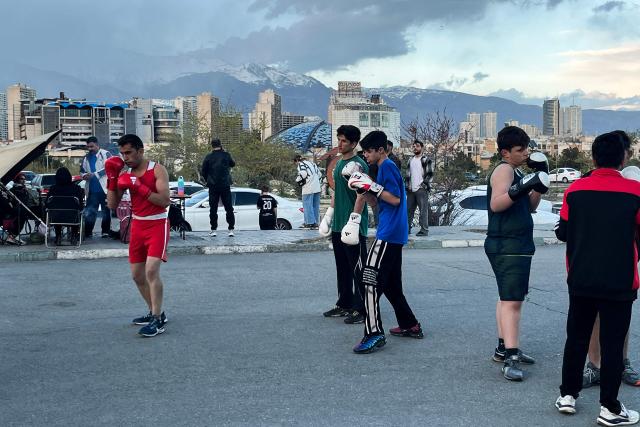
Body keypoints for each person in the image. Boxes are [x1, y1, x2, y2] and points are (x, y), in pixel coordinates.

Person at [554, 132, 640, 426]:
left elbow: (562, 232)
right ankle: (610, 408)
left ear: (593, 158)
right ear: (624, 157)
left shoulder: (574, 190)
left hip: (581, 278)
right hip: (620, 280)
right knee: (613, 343)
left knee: (576, 337)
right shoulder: (636, 192)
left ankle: (567, 395)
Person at [347, 130, 423, 354]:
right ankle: (410, 324)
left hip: (388, 234)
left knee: (368, 280)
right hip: (392, 231)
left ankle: (373, 332)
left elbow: (396, 199)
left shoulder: (388, 166)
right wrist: (363, 188)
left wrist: (372, 187)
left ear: (381, 150)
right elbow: (378, 203)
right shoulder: (380, 169)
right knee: (391, 286)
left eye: (368, 151)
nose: (366, 156)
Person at [485, 126, 549, 381]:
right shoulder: (504, 170)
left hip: (515, 243)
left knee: (507, 298)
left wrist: (538, 181)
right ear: (505, 152)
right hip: (507, 244)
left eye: (526, 149)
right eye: (520, 150)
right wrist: (520, 186)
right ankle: (510, 355)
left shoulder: (517, 170)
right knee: (513, 301)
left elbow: (530, 205)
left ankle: (504, 348)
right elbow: (497, 204)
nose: (526, 154)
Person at [582, 130, 640, 389]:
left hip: (625, 256)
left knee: (620, 315)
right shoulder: (588, 182)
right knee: (595, 313)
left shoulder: (633, 181)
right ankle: (595, 364)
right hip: (593, 257)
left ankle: (622, 362)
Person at [106, 134, 171, 337]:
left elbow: (165, 200)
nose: (125, 157)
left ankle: (157, 320)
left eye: (129, 152)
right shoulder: (124, 172)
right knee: (137, 275)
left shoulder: (157, 169)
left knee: (151, 271)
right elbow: (111, 205)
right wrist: (112, 178)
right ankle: (154, 312)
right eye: (122, 153)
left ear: (140, 151)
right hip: (138, 226)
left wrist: (138, 186)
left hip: (158, 224)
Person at [318, 124, 367, 325]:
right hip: (338, 224)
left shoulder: (358, 165)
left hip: (352, 226)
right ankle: (345, 303)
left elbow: (362, 194)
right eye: (339, 139)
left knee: (357, 268)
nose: (340, 143)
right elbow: (336, 192)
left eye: (344, 140)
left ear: (354, 144)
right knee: (342, 267)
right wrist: (328, 215)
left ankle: (361, 308)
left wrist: (354, 221)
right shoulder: (339, 164)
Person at [201, 138, 236, 237]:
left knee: (213, 208)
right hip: (225, 184)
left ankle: (213, 229)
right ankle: (231, 229)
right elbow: (233, 164)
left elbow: (203, 171)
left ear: (212, 146)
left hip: (213, 185)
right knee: (228, 207)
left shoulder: (208, 157)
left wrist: (208, 179)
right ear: (220, 145)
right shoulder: (226, 155)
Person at [80, 136, 112, 238]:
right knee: (90, 211)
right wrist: (84, 176)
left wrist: (95, 174)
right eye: (88, 147)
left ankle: (105, 232)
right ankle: (88, 232)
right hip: (92, 190)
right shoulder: (86, 157)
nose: (90, 149)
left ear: (97, 145)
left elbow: (110, 168)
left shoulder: (106, 154)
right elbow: (81, 170)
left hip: (105, 188)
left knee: (106, 211)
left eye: (92, 146)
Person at [46, 167, 85, 246]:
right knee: (77, 213)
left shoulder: (53, 188)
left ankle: (58, 236)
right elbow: (80, 204)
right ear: (69, 177)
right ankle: (74, 236)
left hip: (56, 218)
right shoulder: (76, 188)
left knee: (57, 212)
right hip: (73, 217)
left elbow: (47, 203)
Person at [405, 140, 433, 236]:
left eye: (417, 146)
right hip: (410, 189)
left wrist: (424, 185)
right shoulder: (410, 160)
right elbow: (408, 174)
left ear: (422, 147)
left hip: (421, 189)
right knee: (408, 210)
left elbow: (430, 174)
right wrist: (407, 186)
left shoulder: (426, 159)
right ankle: (406, 229)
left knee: (423, 211)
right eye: (413, 146)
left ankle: (424, 230)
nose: (415, 148)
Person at [294, 154, 321, 229]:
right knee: (315, 206)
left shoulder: (301, 164)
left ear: (297, 160)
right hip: (317, 187)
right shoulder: (313, 164)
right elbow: (319, 174)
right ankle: (315, 222)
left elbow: (303, 173)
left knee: (307, 205)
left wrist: (297, 180)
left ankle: (309, 223)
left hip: (308, 188)